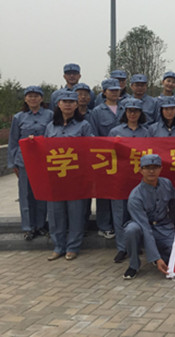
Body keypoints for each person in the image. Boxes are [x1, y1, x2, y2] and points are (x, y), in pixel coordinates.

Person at [44, 91, 94, 261]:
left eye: (71, 102)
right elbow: (44, 149)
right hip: (56, 177)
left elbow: (91, 147)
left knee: (76, 213)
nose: (68, 104)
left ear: (76, 105)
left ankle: (73, 246)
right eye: (64, 101)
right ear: (58, 104)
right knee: (55, 213)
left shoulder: (84, 125)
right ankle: (58, 246)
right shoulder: (50, 127)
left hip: (76, 177)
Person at [8, 86, 53, 241]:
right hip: (24, 161)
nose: (33, 99)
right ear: (25, 99)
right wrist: (13, 163)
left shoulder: (50, 115)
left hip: (43, 160)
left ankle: (40, 225)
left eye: (36, 96)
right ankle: (28, 227)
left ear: (41, 98)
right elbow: (13, 141)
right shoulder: (19, 117)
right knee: (25, 194)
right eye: (30, 96)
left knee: (41, 193)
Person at [107, 98, 149, 263]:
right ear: (125, 113)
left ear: (140, 113)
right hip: (120, 179)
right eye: (130, 111)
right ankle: (122, 248)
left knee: (139, 213)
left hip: (140, 178)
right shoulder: (115, 131)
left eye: (136, 111)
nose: (133, 114)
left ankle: (138, 244)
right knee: (119, 214)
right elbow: (107, 154)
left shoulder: (146, 132)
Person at [122, 154, 175, 280]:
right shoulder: (135, 196)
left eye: (155, 167)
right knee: (131, 229)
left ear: (161, 169)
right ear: (141, 170)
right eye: (147, 168)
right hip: (143, 228)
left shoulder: (167, 184)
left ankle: (160, 255)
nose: (151, 171)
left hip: (163, 226)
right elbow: (145, 228)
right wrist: (156, 258)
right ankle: (134, 265)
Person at [89, 78, 125, 240]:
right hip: (104, 157)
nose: (115, 93)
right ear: (104, 92)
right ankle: (104, 225)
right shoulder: (97, 112)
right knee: (104, 192)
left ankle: (121, 224)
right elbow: (93, 135)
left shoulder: (125, 108)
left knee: (121, 191)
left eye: (117, 90)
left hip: (124, 158)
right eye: (111, 90)